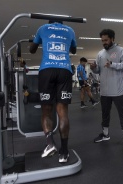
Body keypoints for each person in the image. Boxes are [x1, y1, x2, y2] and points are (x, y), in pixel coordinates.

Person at [29, 20, 76, 163]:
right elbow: (73, 50)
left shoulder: (42, 28)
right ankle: (64, 152)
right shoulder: (70, 30)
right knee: (62, 111)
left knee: (46, 109)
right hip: (64, 70)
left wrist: (36, 40)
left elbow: (32, 50)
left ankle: (50, 144)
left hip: (47, 70)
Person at [90, 29, 123, 147]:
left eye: (106, 40)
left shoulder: (121, 50)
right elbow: (98, 70)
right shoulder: (100, 54)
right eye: (102, 41)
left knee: (122, 113)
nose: (104, 42)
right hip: (104, 91)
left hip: (118, 90)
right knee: (105, 114)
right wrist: (93, 68)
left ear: (112, 39)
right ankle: (105, 134)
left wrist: (112, 64)